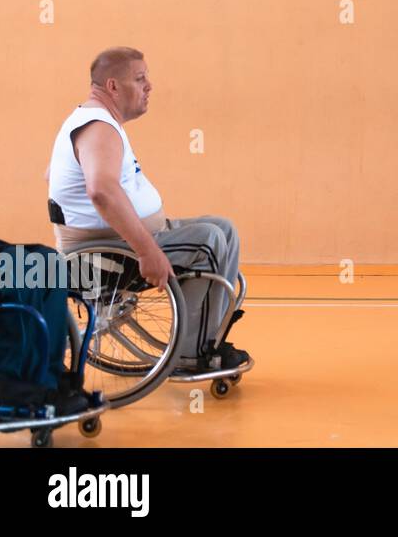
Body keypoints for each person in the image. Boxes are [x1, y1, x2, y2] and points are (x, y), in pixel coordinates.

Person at [47, 47, 250, 371]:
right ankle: (193, 353)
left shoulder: (98, 122)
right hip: (104, 256)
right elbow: (101, 191)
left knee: (223, 227)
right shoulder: (98, 127)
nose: (149, 86)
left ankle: (206, 339)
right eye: (140, 79)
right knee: (207, 240)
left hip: (116, 243)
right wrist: (146, 251)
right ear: (112, 86)